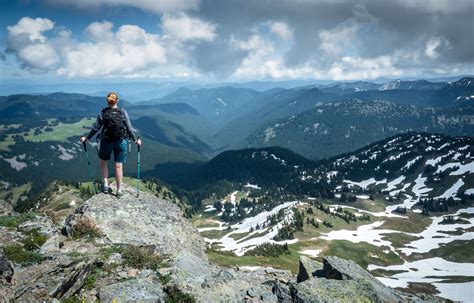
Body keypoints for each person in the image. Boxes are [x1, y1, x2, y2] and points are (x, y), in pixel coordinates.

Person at [80, 92, 141, 197]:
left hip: (106, 141)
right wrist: (136, 140)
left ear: (107, 101)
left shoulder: (103, 112)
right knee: (118, 166)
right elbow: (129, 128)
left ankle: (105, 185)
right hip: (120, 141)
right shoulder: (122, 112)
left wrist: (87, 138)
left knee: (103, 162)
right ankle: (119, 190)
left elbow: (96, 127)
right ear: (117, 100)